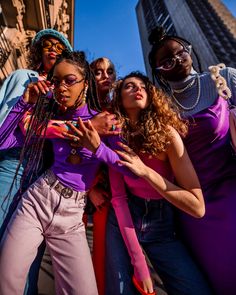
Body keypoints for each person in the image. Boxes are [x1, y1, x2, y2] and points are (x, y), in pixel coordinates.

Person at [0, 50, 135, 295]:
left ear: (86, 82)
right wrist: (24, 102)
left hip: (72, 216)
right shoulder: (48, 115)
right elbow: (4, 138)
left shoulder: (106, 121)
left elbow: (131, 170)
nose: (62, 87)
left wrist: (97, 148)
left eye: (70, 80)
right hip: (36, 201)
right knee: (7, 281)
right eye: (56, 81)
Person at [101, 72, 211, 295]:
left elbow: (197, 207)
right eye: (129, 86)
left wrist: (145, 171)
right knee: (119, 290)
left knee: (194, 289)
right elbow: (119, 197)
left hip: (161, 222)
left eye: (143, 86)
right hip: (124, 217)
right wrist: (139, 262)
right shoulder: (115, 136)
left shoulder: (167, 134)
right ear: (120, 99)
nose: (138, 89)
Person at [148, 26, 236, 295]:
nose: (176, 60)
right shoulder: (161, 108)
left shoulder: (223, 78)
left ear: (190, 51)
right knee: (219, 277)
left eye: (180, 52)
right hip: (193, 209)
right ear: (158, 72)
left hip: (231, 192)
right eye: (166, 61)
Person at [0, 28, 73, 294]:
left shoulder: (67, 92)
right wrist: (25, 102)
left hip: (42, 185)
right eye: (47, 45)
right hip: (11, 170)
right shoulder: (23, 77)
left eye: (59, 47)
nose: (53, 49)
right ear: (39, 51)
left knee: (26, 263)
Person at [88, 57, 117, 295]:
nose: (105, 76)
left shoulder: (118, 108)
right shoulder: (82, 108)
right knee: (101, 256)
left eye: (109, 71)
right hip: (96, 196)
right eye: (98, 72)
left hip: (122, 190)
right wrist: (90, 190)